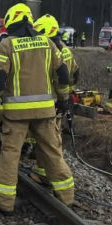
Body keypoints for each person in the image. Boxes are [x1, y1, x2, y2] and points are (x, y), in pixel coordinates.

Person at [0, 3, 74, 214]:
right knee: (52, 153)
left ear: (11, 22)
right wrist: (63, 98)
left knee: (10, 156)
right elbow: (63, 75)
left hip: (16, 115)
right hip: (45, 113)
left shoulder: (6, 45)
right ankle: (67, 197)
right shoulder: (47, 43)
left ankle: (4, 202)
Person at [30, 13, 76, 184]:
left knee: (52, 142)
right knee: (46, 139)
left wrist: (62, 99)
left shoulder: (59, 51)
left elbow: (63, 78)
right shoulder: (56, 48)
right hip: (52, 100)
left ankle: (57, 178)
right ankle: (43, 170)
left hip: (56, 101)